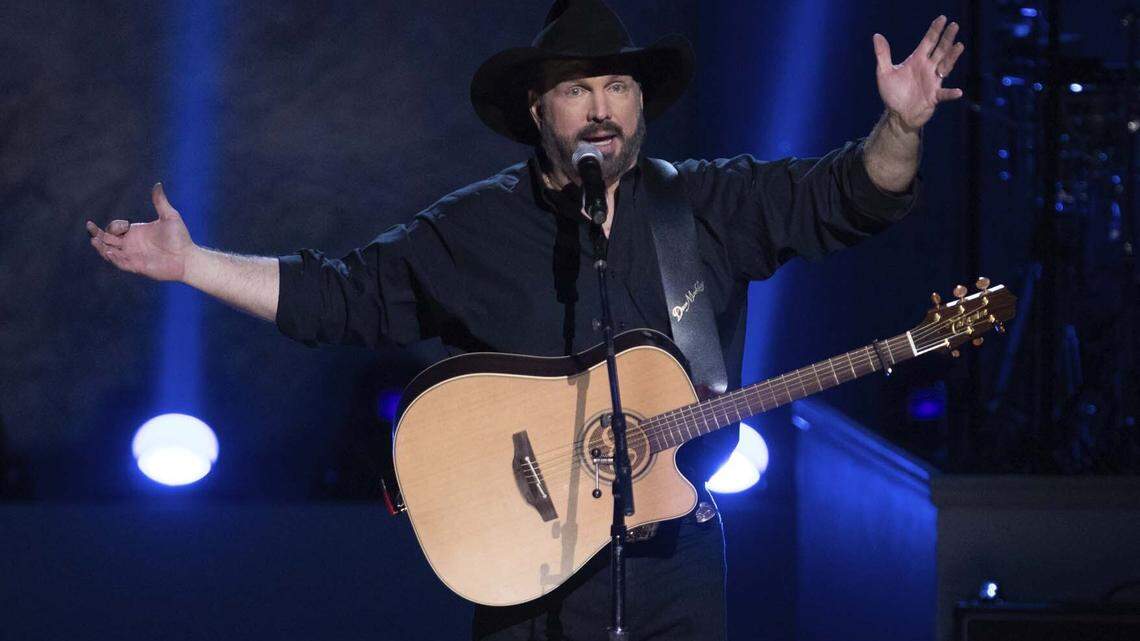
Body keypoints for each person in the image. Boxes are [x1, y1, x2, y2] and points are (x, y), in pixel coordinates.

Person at [85, 1, 964, 638]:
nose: (602, 108)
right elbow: (341, 295)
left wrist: (900, 123)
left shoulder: (704, 205)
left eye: (618, 86)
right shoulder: (472, 228)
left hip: (675, 573)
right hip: (526, 575)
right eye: (578, 90)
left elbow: (851, 195)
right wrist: (192, 263)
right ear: (538, 112)